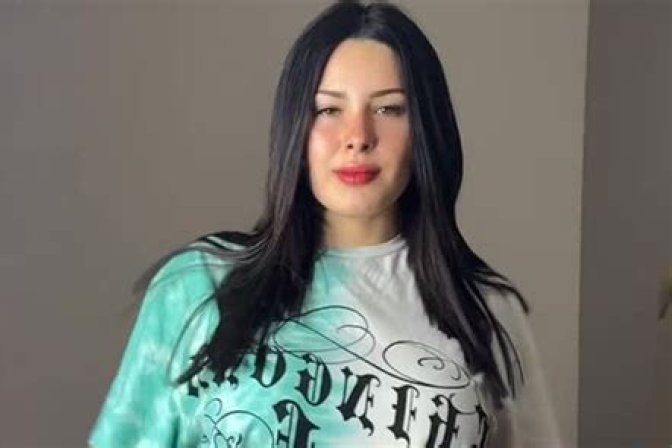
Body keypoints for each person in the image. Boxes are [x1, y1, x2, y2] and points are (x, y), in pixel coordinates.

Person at [89, 1, 562, 446]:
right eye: (329, 109)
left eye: (389, 108)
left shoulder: (486, 311)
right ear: (296, 127)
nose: (357, 137)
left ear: (425, 130)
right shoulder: (199, 286)